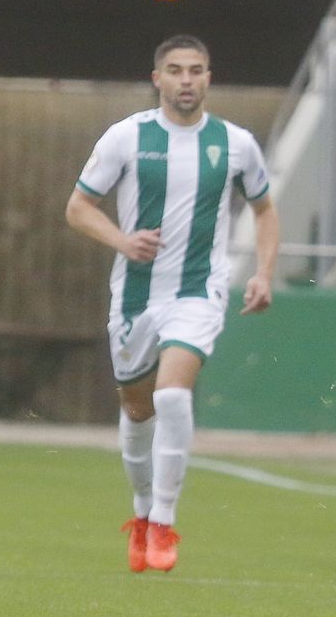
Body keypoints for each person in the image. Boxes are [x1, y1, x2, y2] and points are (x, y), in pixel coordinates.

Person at [66, 34, 280, 573]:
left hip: (198, 290)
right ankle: (141, 512)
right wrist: (122, 240)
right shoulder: (126, 137)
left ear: (210, 78)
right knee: (137, 410)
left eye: (197, 70)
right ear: (157, 78)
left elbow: (265, 209)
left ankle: (163, 520)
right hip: (137, 295)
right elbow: (78, 207)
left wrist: (263, 272)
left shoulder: (235, 144)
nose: (187, 79)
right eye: (176, 70)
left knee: (173, 397)